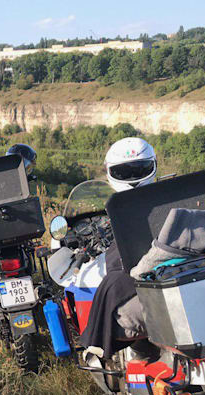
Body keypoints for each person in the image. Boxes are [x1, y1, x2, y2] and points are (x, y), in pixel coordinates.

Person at [78, 137, 159, 362]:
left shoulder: (121, 214)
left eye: (138, 170)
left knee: (113, 285)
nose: (133, 177)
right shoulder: (171, 201)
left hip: (144, 310)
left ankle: (98, 348)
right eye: (127, 172)